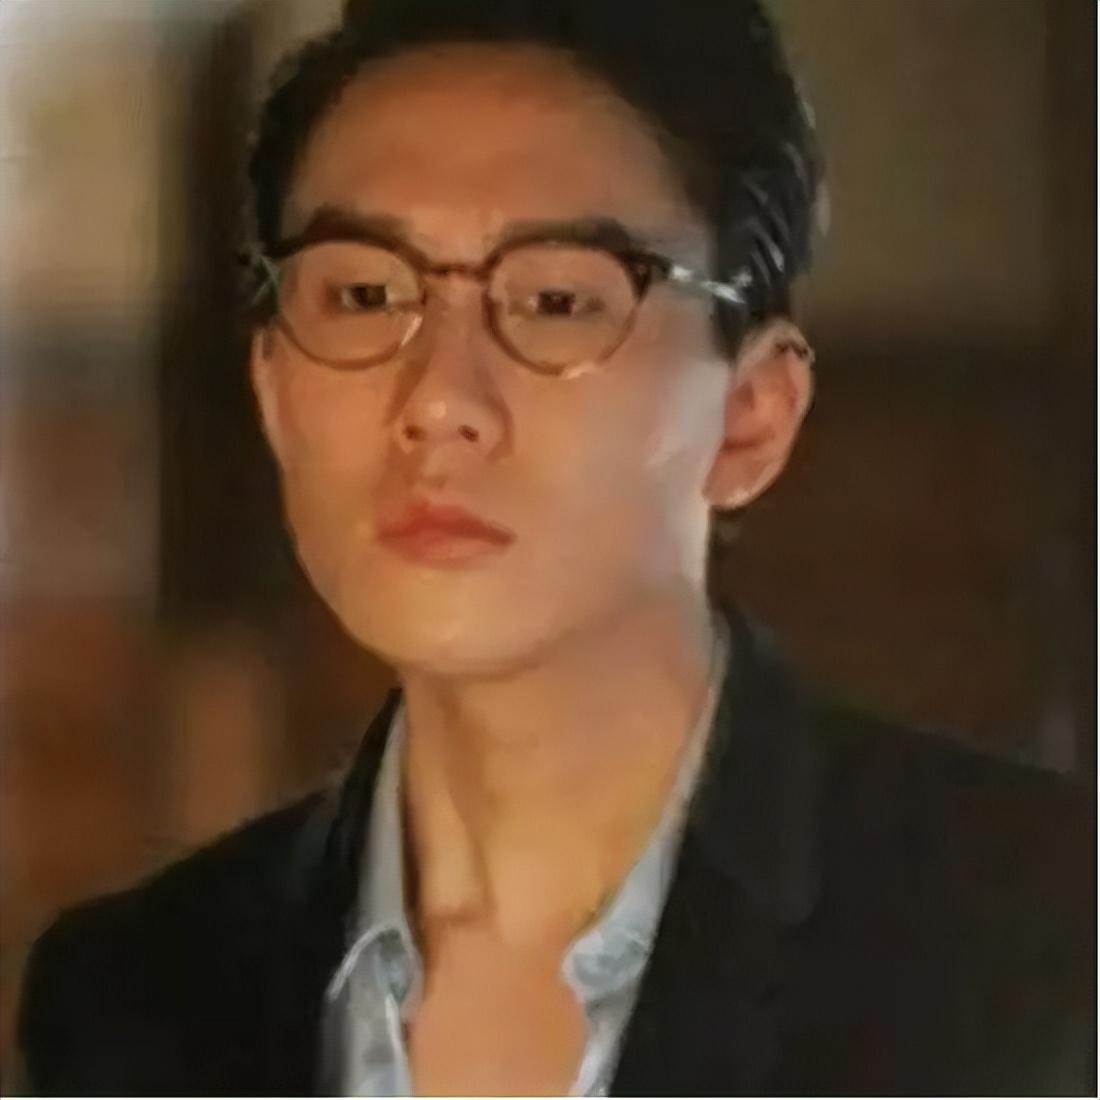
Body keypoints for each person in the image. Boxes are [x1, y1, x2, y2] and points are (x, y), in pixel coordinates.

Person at [16, 0, 1094, 1094]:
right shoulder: (130, 995)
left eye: (557, 300)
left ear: (750, 417)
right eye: (364, 293)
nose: (438, 400)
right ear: (273, 392)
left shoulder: (1041, 933)